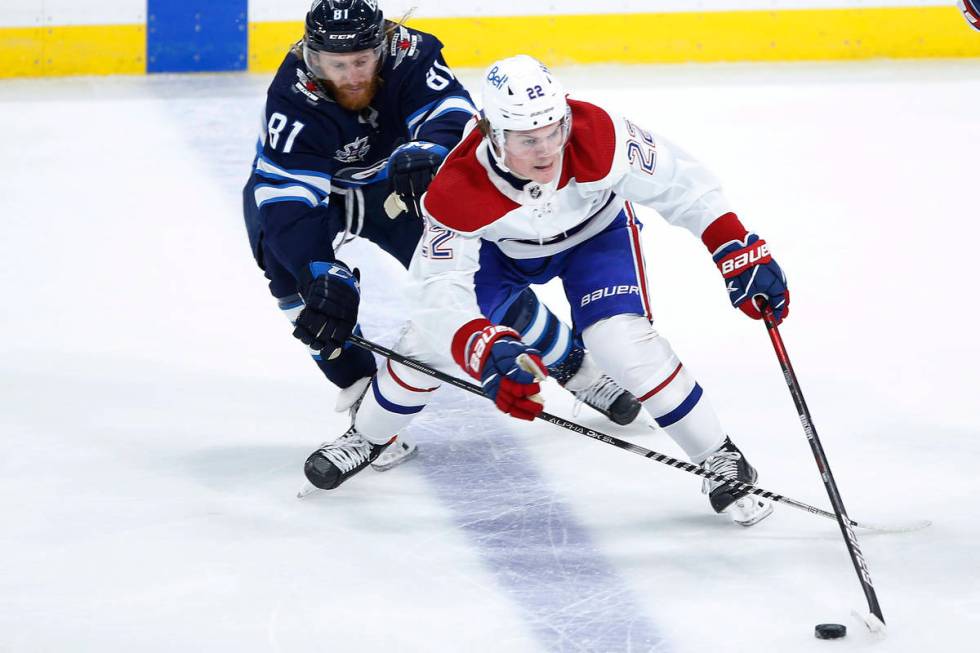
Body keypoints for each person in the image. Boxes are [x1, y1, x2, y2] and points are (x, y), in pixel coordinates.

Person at [304, 54, 790, 527]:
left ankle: (720, 457)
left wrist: (734, 246)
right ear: (492, 133)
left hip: (595, 241)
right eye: (524, 138)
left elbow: (682, 185)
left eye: (553, 129)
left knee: (621, 342)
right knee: (427, 346)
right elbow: (437, 290)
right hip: (501, 254)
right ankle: (368, 437)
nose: (545, 150)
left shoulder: (598, 133)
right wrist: (479, 346)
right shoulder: (457, 186)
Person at [243, 3, 640, 472]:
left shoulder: (412, 53)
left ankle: (573, 366)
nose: (350, 75)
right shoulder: (293, 95)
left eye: (361, 61)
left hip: (394, 185)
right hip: (321, 199)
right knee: (305, 292)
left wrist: (428, 149)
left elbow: (453, 111)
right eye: (336, 64)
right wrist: (319, 272)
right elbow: (289, 200)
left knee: (472, 279)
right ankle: (364, 407)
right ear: (313, 58)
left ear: (383, 45)